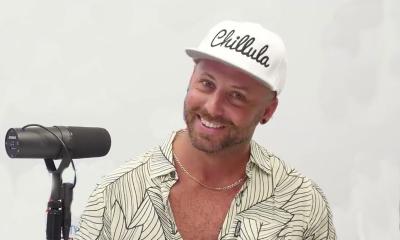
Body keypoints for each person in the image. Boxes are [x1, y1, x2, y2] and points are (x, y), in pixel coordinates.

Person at [75, 20, 336, 240]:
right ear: (191, 80)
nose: (213, 107)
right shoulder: (116, 193)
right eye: (207, 83)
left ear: (268, 110)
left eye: (237, 96)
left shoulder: (302, 203)